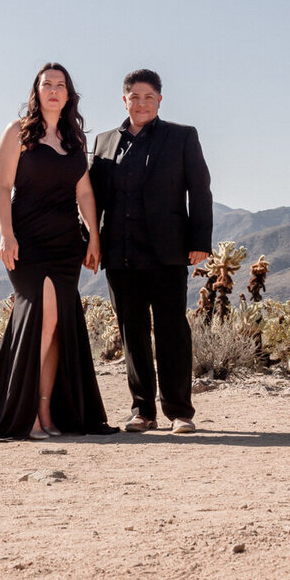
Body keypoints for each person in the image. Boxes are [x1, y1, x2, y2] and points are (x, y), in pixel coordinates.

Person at [0, 63, 114, 441]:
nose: (53, 90)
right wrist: (6, 235)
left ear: (68, 95)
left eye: (60, 85)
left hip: (67, 245)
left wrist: (93, 239)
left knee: (57, 329)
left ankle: (45, 412)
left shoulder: (74, 139)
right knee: (43, 321)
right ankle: (26, 411)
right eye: (47, 84)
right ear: (37, 91)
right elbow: (2, 189)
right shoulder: (17, 133)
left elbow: (84, 193)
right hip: (27, 242)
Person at [89, 69, 212, 434]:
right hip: (119, 251)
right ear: (124, 100)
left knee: (172, 329)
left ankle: (179, 412)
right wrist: (91, 242)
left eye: (148, 97)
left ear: (159, 100)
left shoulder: (182, 137)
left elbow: (200, 191)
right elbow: (92, 199)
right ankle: (142, 410)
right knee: (133, 330)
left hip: (168, 251)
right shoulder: (105, 141)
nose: (141, 103)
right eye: (134, 97)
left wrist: (199, 241)